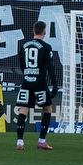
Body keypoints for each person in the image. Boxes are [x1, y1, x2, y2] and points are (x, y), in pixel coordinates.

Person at [15, 20, 58, 151]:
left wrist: (28, 75)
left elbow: (22, 65)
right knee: (48, 110)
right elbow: (50, 66)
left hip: (27, 82)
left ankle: (20, 142)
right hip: (40, 82)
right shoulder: (46, 47)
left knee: (23, 110)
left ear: (33, 31)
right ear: (44, 32)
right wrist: (55, 83)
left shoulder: (24, 46)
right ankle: (41, 141)